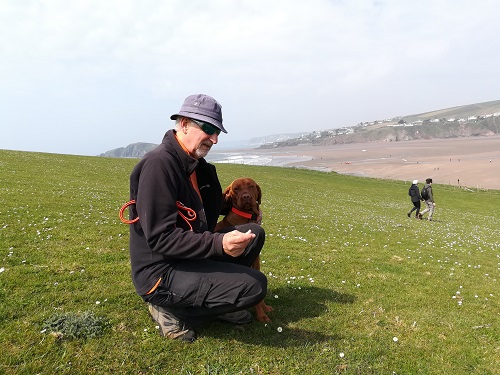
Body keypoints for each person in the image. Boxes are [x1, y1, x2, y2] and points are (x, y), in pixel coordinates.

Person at [128, 94, 267, 342]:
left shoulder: (199, 167)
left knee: (254, 234)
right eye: (209, 129)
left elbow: (212, 207)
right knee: (255, 285)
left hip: (191, 258)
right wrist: (218, 244)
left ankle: (217, 302)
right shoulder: (158, 166)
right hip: (162, 271)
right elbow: (161, 238)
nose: (214, 139)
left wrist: (249, 210)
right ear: (183, 124)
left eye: (217, 133)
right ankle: (171, 311)